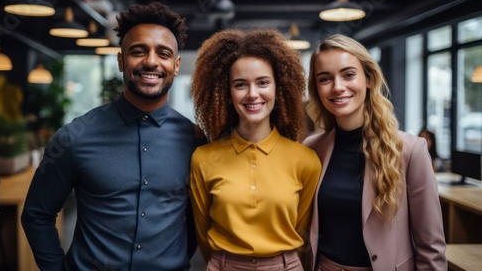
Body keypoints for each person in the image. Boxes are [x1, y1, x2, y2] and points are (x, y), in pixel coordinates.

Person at [21, 2, 205, 270]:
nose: (151, 61)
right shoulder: (75, 137)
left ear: (176, 66)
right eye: (138, 51)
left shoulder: (196, 141)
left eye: (163, 53)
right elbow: (37, 214)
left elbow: (196, 219)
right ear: (121, 61)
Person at [303, 34, 447, 270]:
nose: (338, 87)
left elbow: (431, 247)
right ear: (317, 89)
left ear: (369, 79)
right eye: (325, 79)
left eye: (348, 75)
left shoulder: (410, 151)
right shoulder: (311, 149)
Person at [189, 28, 322, 271]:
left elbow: (303, 231)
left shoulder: (305, 160)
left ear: (277, 89)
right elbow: (203, 233)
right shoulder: (203, 159)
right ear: (227, 93)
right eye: (240, 84)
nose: (253, 94)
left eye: (263, 82)